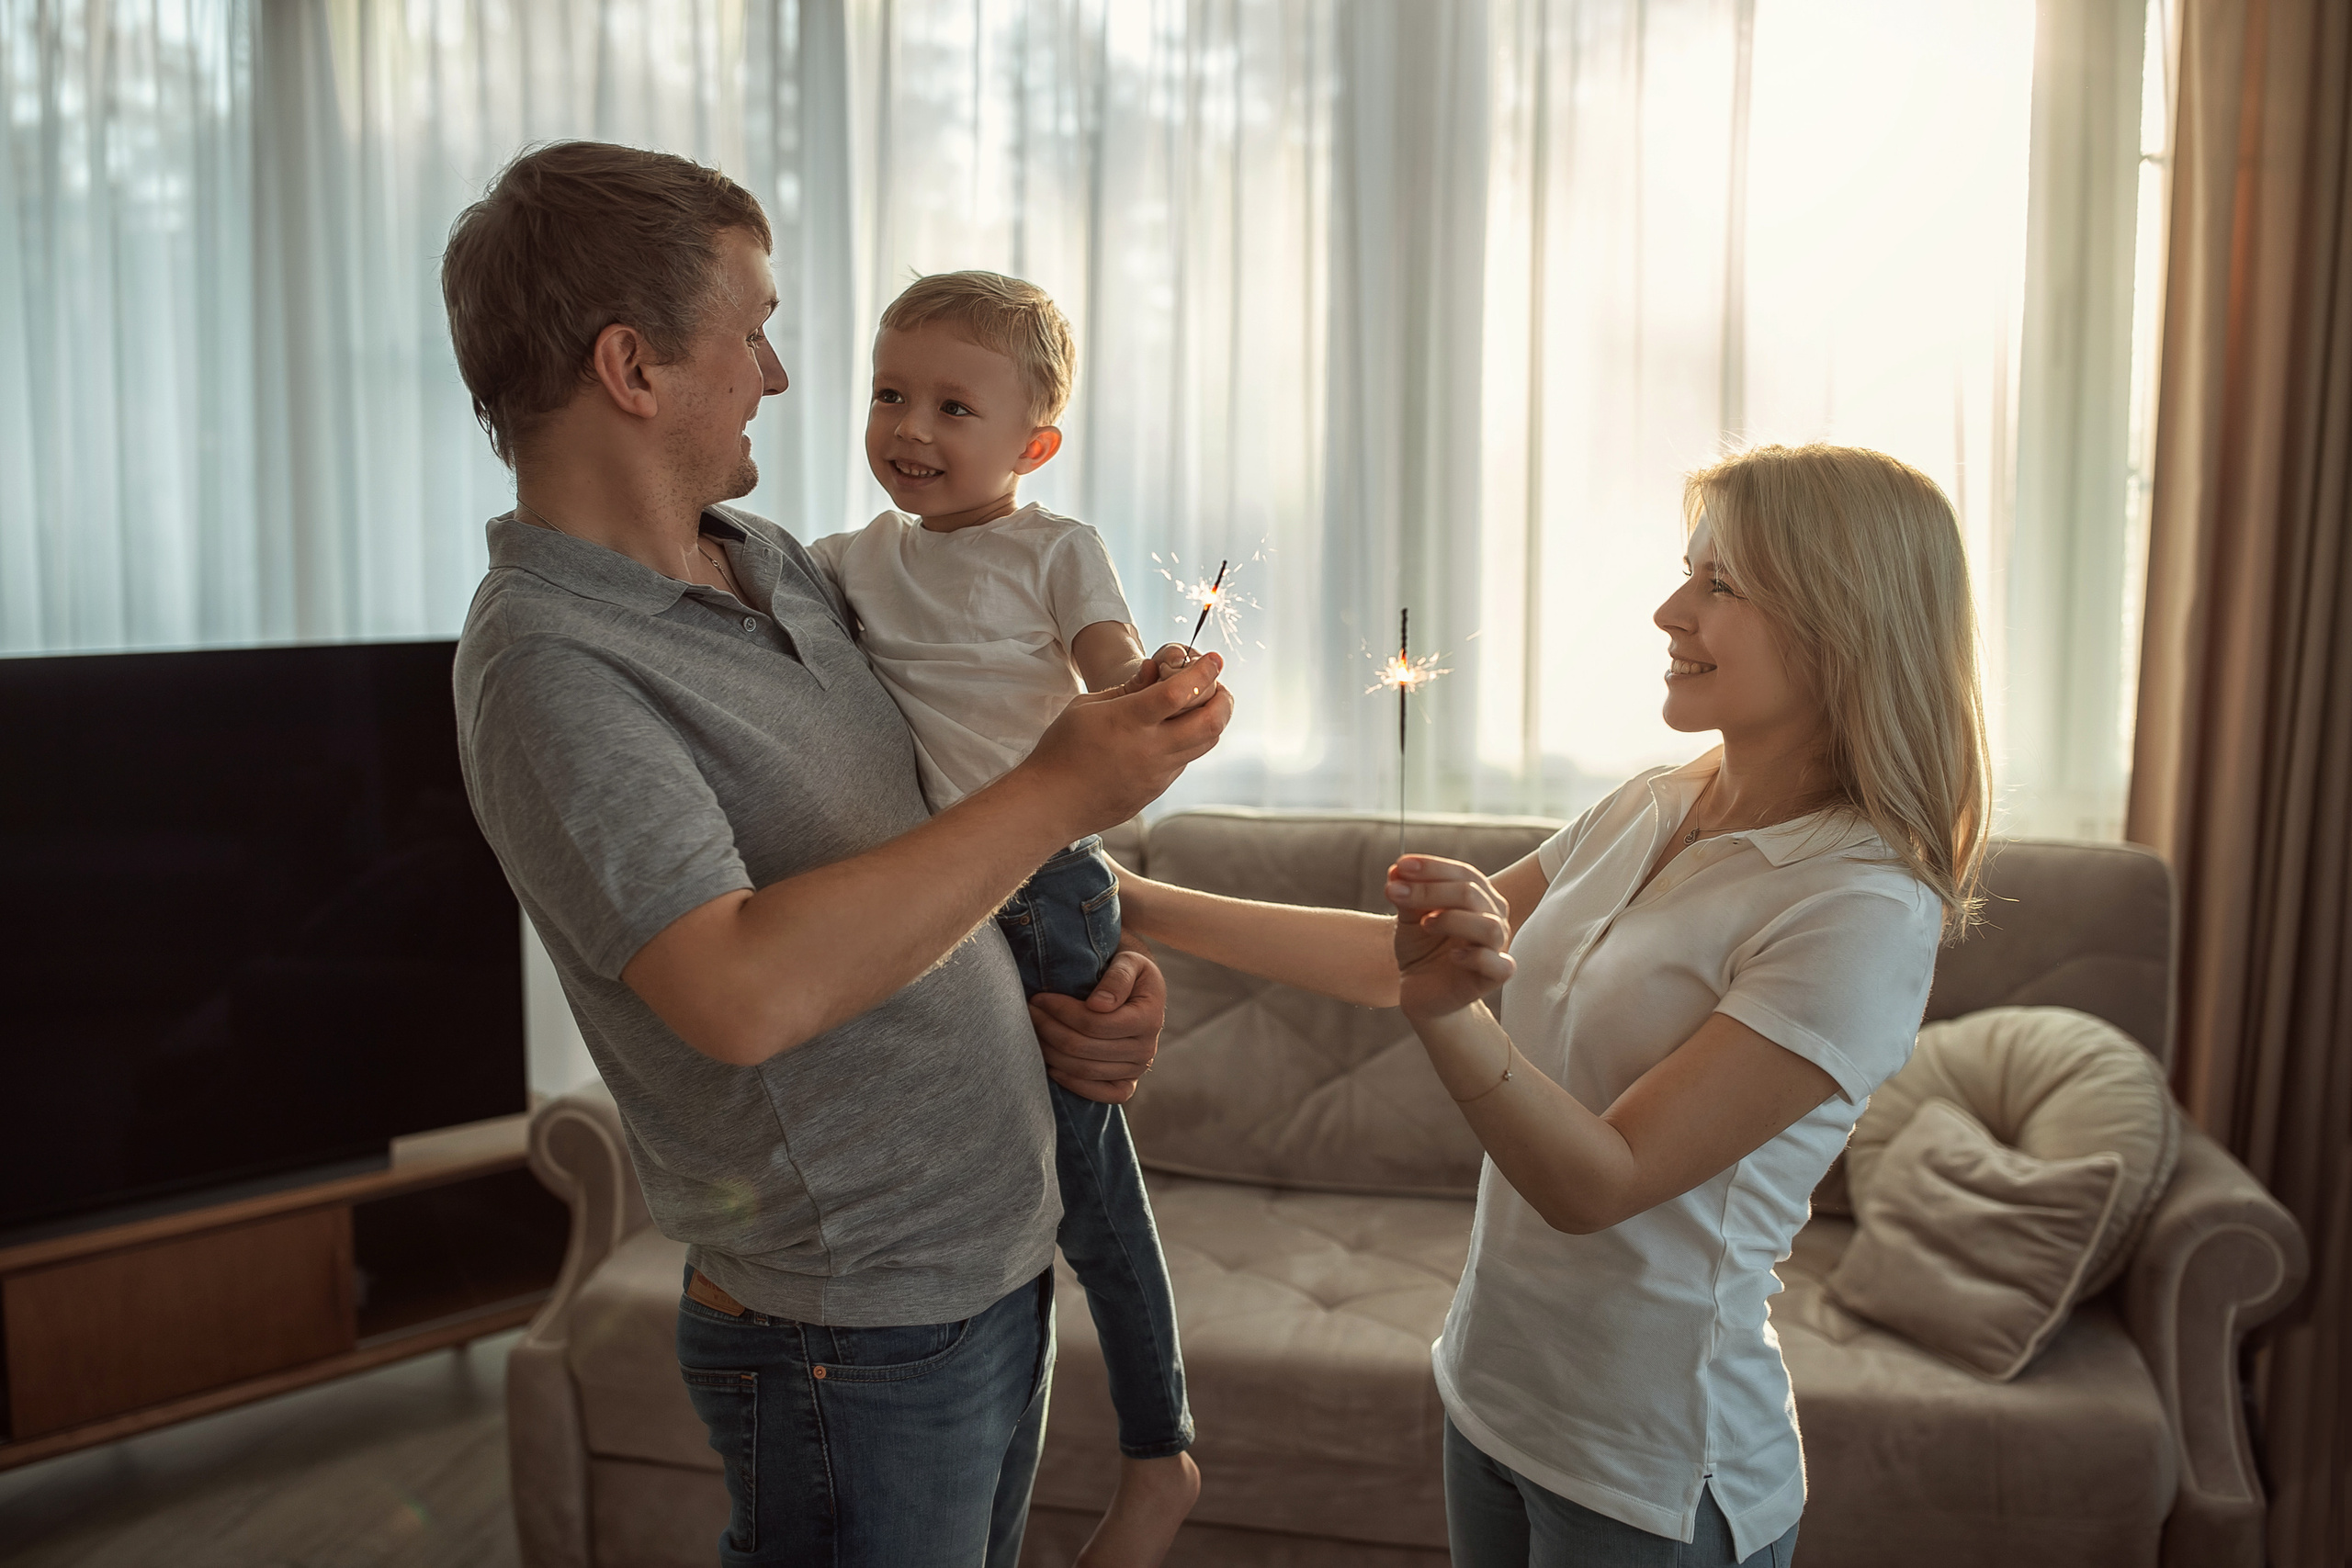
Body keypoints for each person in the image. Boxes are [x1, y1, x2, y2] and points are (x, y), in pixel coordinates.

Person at [438, 141, 1231, 1568]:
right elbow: (737, 987)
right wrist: (1059, 788)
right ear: (633, 366)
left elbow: (928, 853)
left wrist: (1083, 983)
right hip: (852, 1331)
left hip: (993, 1258)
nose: (780, 374)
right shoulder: (549, 664)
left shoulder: (781, 566)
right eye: (753, 332)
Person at [1114, 444, 1988, 1566]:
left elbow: (1599, 1184)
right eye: (1688, 571)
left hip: (1652, 1478)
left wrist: (1449, 1014)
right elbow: (1399, 962)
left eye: (1720, 584)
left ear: (1842, 623)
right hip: (1491, 1402)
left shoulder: (1859, 906)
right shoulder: (1654, 803)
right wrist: (1132, 899)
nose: (1670, 611)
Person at [805, 269, 1200, 1565]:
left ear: (1033, 445)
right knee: (985, 1159)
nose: (909, 427)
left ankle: (1160, 1447)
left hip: (1044, 886)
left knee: (1088, 1183)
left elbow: (1112, 672)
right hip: (933, 888)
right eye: (889, 394)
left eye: (953, 407)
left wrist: (1155, 683)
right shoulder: (849, 559)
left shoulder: (1055, 548)